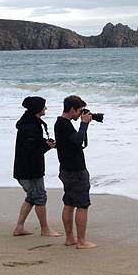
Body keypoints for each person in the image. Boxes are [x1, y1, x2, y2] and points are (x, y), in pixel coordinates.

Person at [12, 96, 61, 237]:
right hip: (30, 170)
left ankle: (19, 227)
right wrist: (47, 146)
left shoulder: (28, 123)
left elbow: (33, 145)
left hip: (23, 169)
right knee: (40, 197)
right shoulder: (31, 126)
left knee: (32, 197)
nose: (46, 108)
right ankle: (45, 229)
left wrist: (46, 144)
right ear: (37, 108)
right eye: (44, 106)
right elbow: (32, 150)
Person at [54, 95, 97, 249]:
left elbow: (72, 141)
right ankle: (81, 241)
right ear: (72, 109)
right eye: (79, 111)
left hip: (65, 169)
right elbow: (78, 140)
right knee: (82, 205)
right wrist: (84, 125)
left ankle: (70, 238)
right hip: (76, 170)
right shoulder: (65, 125)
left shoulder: (59, 123)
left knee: (69, 203)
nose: (80, 114)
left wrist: (83, 125)